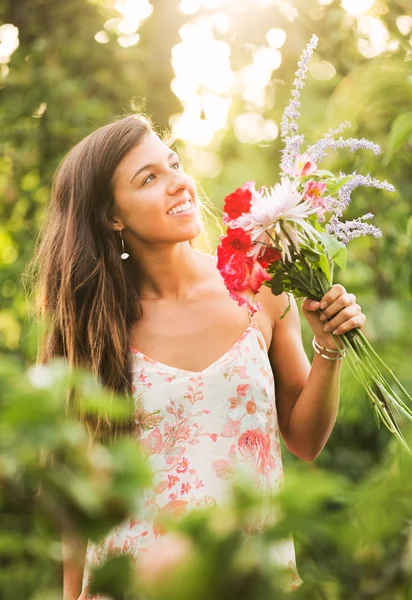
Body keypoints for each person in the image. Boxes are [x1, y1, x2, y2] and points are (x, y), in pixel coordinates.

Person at [30, 114, 365, 599]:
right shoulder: (93, 331)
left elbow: (305, 441)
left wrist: (329, 348)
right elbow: (79, 489)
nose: (178, 183)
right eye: (149, 179)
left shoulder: (262, 288)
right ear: (112, 216)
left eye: (173, 165)